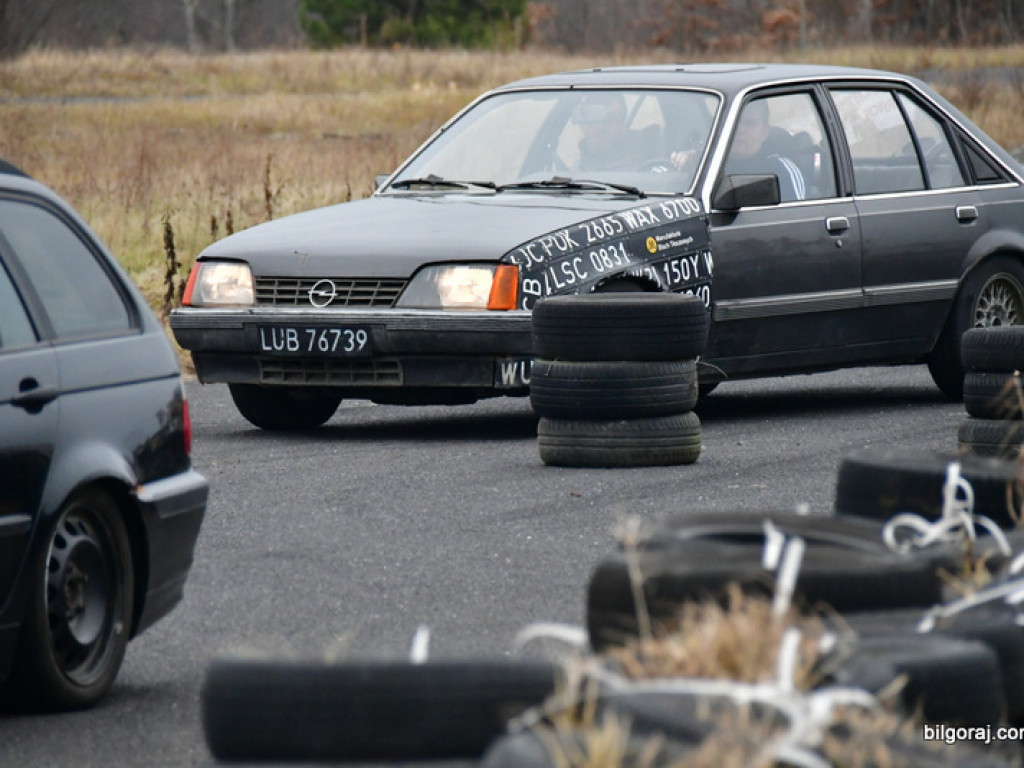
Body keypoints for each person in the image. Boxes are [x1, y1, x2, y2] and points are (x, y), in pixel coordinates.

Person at [722, 99, 807, 201]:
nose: (741, 130)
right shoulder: (709, 166)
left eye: (750, 123)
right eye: (735, 122)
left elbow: (797, 215)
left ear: (764, 132)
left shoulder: (783, 172)